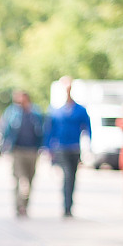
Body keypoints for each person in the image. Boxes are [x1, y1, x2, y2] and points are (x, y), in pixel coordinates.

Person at [45, 76, 91, 217]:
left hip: (74, 148)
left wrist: (88, 145)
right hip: (61, 148)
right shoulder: (56, 110)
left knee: (72, 177)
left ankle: (69, 205)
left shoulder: (80, 110)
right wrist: (48, 148)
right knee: (67, 175)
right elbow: (50, 130)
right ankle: (66, 206)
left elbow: (87, 128)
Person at [0, 91, 44, 216]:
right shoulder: (12, 112)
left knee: (29, 179)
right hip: (17, 150)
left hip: (32, 151)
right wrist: (4, 146)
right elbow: (6, 129)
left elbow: (42, 131)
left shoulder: (35, 113)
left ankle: (24, 205)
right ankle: (19, 206)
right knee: (20, 179)